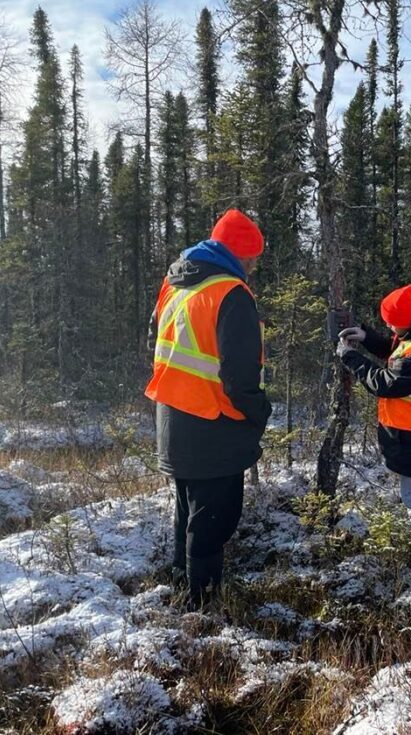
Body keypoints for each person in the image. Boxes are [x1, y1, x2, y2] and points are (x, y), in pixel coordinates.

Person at [145, 209, 272, 607]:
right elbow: (238, 377)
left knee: (188, 513)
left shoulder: (175, 283)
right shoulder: (231, 293)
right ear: (239, 254)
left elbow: (155, 337)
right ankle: (202, 607)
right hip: (212, 426)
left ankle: (184, 589)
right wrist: (259, 411)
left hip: (173, 420)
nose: (253, 265)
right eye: (251, 257)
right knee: (213, 520)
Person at [336, 284, 411, 566]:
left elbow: (387, 383)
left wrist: (350, 357)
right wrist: (368, 338)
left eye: (393, 325)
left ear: (407, 321)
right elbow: (400, 348)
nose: (391, 329)